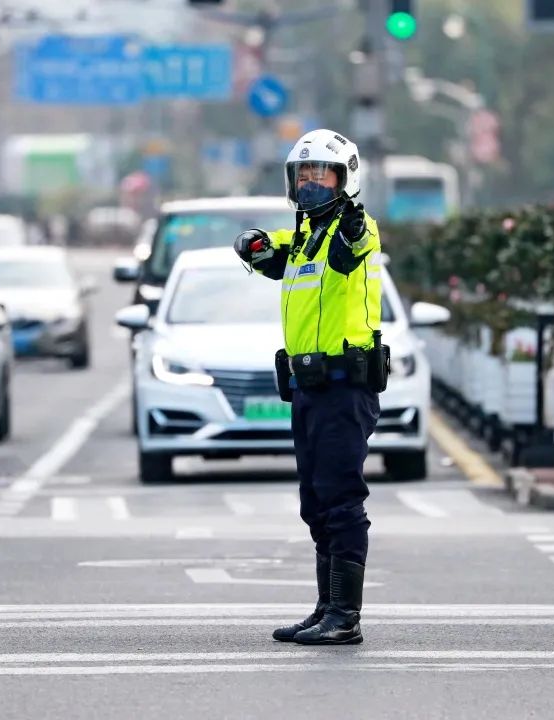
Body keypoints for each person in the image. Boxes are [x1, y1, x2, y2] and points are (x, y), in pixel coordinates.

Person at [233, 129, 387, 645]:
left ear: (346, 179)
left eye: (321, 173)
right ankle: (325, 608)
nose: (310, 183)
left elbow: (355, 243)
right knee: (316, 501)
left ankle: (346, 616)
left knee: (342, 499)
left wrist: (349, 218)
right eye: (303, 174)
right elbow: (271, 253)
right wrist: (251, 244)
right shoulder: (302, 239)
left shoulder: (353, 229)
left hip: (346, 386)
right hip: (309, 387)